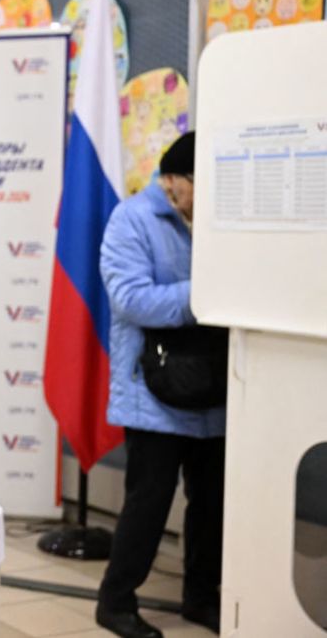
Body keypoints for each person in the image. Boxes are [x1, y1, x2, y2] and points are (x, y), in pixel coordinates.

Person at [95, 132, 225, 638]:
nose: (203, 193)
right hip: (153, 390)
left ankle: (200, 598)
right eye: (196, 182)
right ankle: (116, 601)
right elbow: (132, 300)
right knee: (148, 502)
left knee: (211, 503)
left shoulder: (219, 220)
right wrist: (212, 291)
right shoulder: (132, 219)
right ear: (171, 178)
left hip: (214, 388)